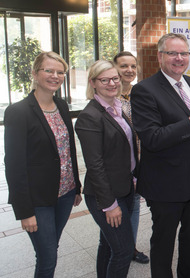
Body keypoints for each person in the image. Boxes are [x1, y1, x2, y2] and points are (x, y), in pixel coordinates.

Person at [130, 33, 190, 277]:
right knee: (164, 243)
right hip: (165, 183)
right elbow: (153, 138)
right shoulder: (144, 90)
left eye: (184, 53)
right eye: (172, 53)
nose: (179, 58)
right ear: (160, 56)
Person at [4, 51, 82, 278]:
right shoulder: (18, 112)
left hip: (66, 194)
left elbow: (68, 150)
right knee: (47, 257)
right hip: (37, 200)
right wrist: (24, 212)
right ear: (35, 74)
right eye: (48, 70)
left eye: (60, 72)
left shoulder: (62, 105)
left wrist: (76, 185)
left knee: (51, 249)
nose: (55, 76)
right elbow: (14, 165)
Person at [75, 60, 138, 277]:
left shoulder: (118, 107)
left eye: (115, 78)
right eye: (105, 80)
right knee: (123, 250)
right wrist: (110, 205)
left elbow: (126, 148)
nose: (112, 83)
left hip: (126, 187)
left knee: (108, 244)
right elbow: (95, 165)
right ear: (93, 83)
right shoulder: (89, 116)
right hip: (107, 196)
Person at [113, 51, 150, 265]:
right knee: (117, 208)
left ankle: (131, 247)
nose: (129, 70)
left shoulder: (140, 93)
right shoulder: (109, 96)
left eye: (133, 66)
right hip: (118, 165)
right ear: (115, 68)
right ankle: (119, 247)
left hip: (139, 162)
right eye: (124, 66)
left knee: (135, 204)